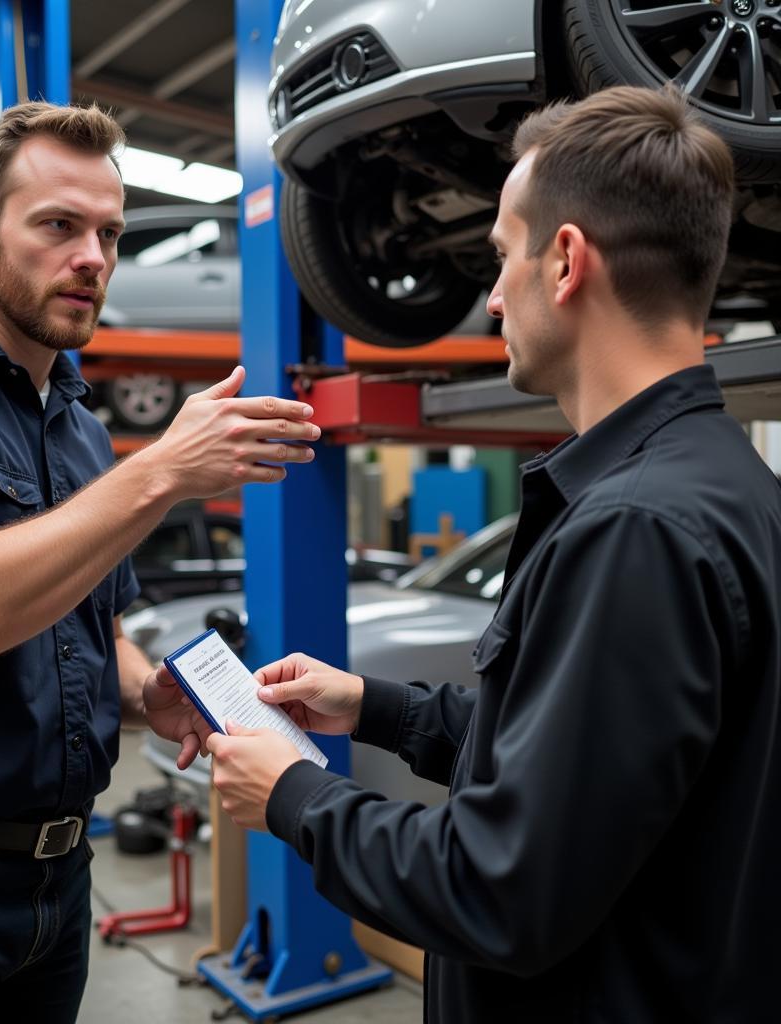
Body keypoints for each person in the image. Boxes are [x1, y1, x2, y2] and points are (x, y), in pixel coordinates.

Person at [157, 86, 781, 1022]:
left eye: (501, 257)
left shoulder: (636, 529)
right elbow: (575, 758)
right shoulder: (722, 483)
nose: (491, 297)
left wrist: (294, 797)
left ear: (565, 261)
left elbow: (497, 890)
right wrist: (372, 708)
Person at [0, 101, 321, 1023]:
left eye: (109, 233)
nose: (94, 258)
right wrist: (159, 472)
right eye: (59, 226)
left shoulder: (73, 424)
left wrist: (146, 689)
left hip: (55, 885)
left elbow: (88, 629)